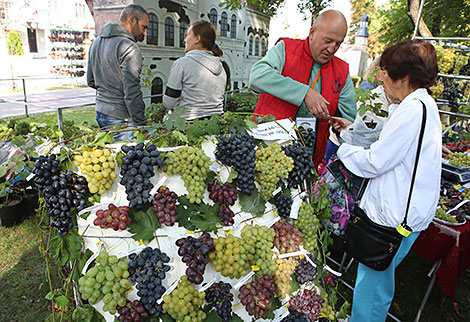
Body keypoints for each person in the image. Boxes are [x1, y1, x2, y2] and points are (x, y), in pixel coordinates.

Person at [330, 40, 441, 322]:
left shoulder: (412, 110)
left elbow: (376, 162)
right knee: (377, 282)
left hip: (393, 220)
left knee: (372, 286)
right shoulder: (420, 104)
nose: (380, 77)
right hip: (403, 213)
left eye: (386, 71)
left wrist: (342, 149)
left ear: (404, 77)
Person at [249, 9, 356, 167]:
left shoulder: (342, 71)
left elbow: (350, 122)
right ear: (312, 32)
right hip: (269, 150)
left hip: (309, 159)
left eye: (338, 44)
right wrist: (304, 92)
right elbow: (256, 77)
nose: (332, 49)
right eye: (328, 41)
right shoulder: (285, 49)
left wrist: (344, 128)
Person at [87, 4, 149, 141]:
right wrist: (141, 125)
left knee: (110, 159)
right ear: (132, 20)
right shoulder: (130, 48)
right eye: (143, 27)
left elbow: (90, 80)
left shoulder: (96, 43)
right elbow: (131, 91)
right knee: (126, 160)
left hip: (101, 112)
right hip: (122, 118)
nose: (144, 33)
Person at [163, 20, 226, 120]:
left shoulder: (182, 64)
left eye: (187, 35)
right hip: (216, 122)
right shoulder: (221, 67)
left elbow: (169, 102)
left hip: (189, 125)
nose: (184, 40)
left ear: (197, 38)